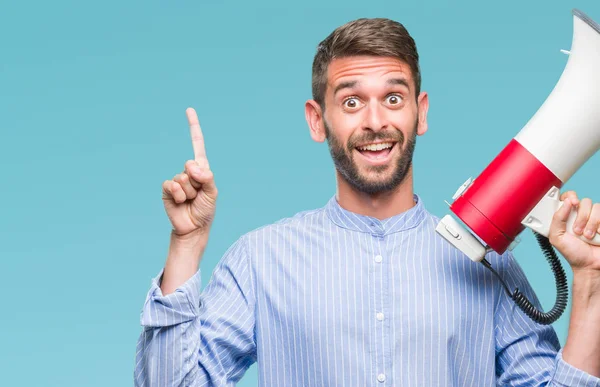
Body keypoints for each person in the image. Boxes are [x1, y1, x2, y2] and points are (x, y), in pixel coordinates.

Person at [134, 17, 600, 386]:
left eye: (393, 98)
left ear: (421, 113)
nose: (376, 122)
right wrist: (187, 244)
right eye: (352, 102)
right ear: (318, 121)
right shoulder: (260, 261)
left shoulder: (490, 265)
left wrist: (590, 284)